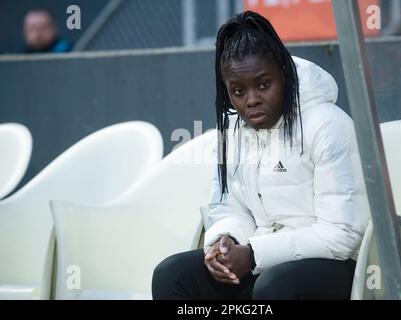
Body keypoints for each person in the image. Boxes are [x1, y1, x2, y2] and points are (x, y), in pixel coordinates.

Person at [152, 11, 369, 300]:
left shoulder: (327, 125)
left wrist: (254, 255)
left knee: (274, 287)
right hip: (265, 257)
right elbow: (228, 205)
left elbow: (342, 234)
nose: (251, 100)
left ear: (284, 72)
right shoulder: (235, 129)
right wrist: (227, 242)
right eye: (238, 91)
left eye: (263, 85)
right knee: (172, 275)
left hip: (334, 267)